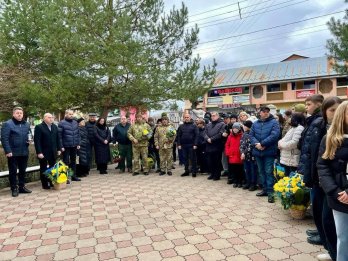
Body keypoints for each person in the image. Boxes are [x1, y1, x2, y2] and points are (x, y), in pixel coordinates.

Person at [317, 101, 348, 261]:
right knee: (343, 236)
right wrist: (335, 191)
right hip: (338, 196)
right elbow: (323, 166)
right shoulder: (329, 139)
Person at [297, 94, 326, 246]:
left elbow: (315, 151)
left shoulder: (320, 121)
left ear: (319, 104)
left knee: (319, 204)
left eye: (309, 104)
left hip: (316, 170)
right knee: (317, 204)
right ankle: (320, 230)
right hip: (312, 168)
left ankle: (324, 235)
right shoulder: (313, 120)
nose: (306, 107)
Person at [250, 106, 280, 203]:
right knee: (261, 171)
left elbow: (275, 135)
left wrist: (262, 144)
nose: (265, 113)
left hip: (269, 151)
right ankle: (265, 190)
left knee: (268, 171)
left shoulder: (274, 122)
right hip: (258, 151)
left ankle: (271, 192)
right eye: (263, 111)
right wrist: (257, 145)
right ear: (260, 113)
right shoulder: (255, 124)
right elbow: (251, 135)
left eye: (267, 111)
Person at [1, 107, 32, 197]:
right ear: (13, 114)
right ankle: (14, 188)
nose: (19, 114)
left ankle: (22, 187)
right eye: (17, 113)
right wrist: (8, 151)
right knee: (13, 171)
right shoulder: (7, 124)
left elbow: (29, 135)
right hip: (13, 152)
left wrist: (29, 140)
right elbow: (4, 139)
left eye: (21, 113)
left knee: (23, 170)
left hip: (24, 151)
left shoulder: (26, 124)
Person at [34, 113, 62, 189]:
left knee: (52, 167)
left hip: (53, 151)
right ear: (44, 118)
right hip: (43, 152)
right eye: (49, 117)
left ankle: (51, 182)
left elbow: (58, 139)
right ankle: (44, 184)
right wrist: (39, 152)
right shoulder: (39, 127)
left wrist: (59, 149)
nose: (51, 119)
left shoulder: (54, 127)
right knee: (43, 168)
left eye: (52, 117)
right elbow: (37, 141)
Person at [58, 109, 81, 182]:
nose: (71, 115)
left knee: (74, 161)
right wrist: (61, 146)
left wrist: (78, 143)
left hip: (74, 145)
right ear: (66, 114)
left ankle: (74, 176)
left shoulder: (75, 122)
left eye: (72, 114)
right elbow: (59, 136)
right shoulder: (61, 123)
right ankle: (65, 177)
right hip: (66, 146)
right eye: (70, 114)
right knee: (65, 162)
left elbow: (78, 134)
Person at [204, 112, 226, 181]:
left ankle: (217, 175)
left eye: (214, 116)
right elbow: (204, 133)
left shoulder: (222, 124)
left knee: (217, 161)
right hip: (209, 145)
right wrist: (207, 138)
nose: (212, 117)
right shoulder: (208, 125)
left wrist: (212, 139)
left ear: (217, 116)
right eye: (212, 116)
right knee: (210, 161)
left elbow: (220, 134)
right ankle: (212, 173)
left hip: (217, 145)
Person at [240, 120, 258, 191]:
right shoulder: (244, 134)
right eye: (244, 125)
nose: (244, 127)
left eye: (245, 126)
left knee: (253, 170)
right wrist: (242, 152)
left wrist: (244, 152)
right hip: (245, 156)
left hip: (252, 156)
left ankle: (253, 184)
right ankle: (248, 182)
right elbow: (241, 144)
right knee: (246, 169)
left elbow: (251, 145)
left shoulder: (252, 134)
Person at [225, 122, 244, 187]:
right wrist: (228, 152)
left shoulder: (242, 135)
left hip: (239, 155)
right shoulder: (230, 136)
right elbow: (227, 145)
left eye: (236, 128)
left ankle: (240, 181)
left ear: (239, 129)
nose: (235, 129)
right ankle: (235, 181)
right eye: (234, 128)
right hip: (232, 155)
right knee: (234, 169)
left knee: (240, 169)